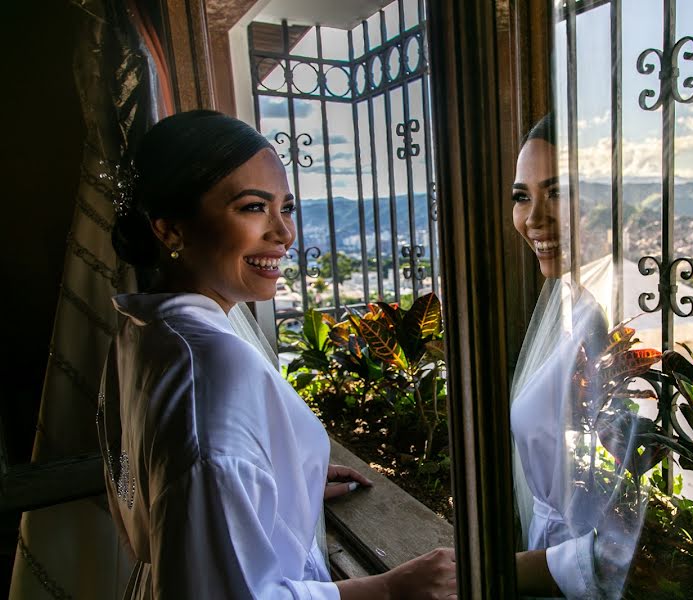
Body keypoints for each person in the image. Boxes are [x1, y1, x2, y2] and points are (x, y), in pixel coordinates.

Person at [98, 110, 456, 599]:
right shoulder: (212, 368)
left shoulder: (144, 330)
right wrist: (391, 588)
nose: (284, 233)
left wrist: (287, 478)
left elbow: (181, 481)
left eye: (285, 208)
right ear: (170, 230)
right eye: (252, 207)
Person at [509, 115, 645, 599]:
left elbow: (642, 509)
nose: (533, 218)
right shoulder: (576, 303)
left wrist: (501, 574)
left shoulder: (630, 319)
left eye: (558, 192)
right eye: (521, 196)